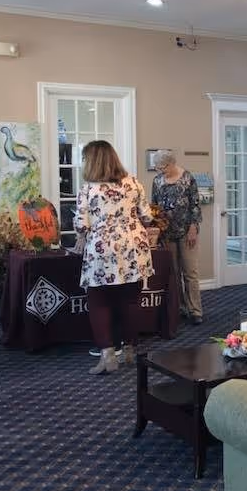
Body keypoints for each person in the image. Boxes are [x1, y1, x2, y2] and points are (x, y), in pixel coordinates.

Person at [74, 140, 154, 375]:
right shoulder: (134, 183)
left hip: (102, 250)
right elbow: (147, 217)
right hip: (133, 248)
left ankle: (108, 356)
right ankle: (129, 350)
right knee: (130, 302)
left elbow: (81, 225)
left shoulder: (88, 190)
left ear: (92, 161)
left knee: (99, 303)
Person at [151, 149, 203, 324]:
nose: (160, 171)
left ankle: (195, 310)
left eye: (163, 167)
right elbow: (154, 206)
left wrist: (193, 228)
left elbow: (195, 205)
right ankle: (179, 308)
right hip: (167, 233)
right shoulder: (157, 180)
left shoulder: (188, 178)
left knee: (190, 272)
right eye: (157, 168)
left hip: (187, 231)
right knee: (173, 272)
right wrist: (156, 228)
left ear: (172, 163)